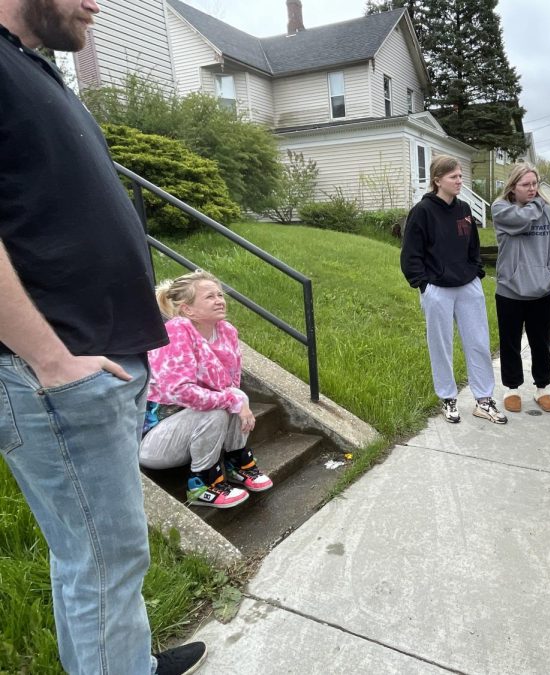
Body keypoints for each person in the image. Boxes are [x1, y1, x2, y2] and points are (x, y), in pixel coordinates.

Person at [0, 0, 206, 672]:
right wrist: (53, 360)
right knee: (104, 559)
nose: (94, 4)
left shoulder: (34, 69)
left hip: (90, 356)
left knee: (90, 556)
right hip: (56, 371)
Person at [140, 271, 273, 508]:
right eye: (210, 297)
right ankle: (202, 483)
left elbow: (232, 385)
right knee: (218, 408)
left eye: (220, 295)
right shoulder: (176, 330)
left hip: (190, 428)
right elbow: (180, 391)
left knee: (237, 396)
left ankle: (235, 463)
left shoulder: (226, 332)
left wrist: (234, 399)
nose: (219, 300)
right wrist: (230, 400)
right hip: (155, 440)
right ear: (188, 309)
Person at [400, 155, 507, 424]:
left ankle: (484, 400)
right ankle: (448, 399)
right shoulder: (422, 212)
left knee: (479, 342)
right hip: (437, 288)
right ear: (438, 180)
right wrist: (423, 284)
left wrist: (477, 272)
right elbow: (410, 255)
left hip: (468, 285)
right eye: (454, 177)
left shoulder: (464, 209)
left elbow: (473, 246)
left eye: (460, 176)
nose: (460, 181)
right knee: (441, 346)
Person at [491, 163, 550, 413]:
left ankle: (543, 387)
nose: (532, 189)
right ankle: (512, 388)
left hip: (540, 290)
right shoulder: (501, 208)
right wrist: (537, 204)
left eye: (535, 184)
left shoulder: (549, 213)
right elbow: (521, 219)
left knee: (540, 341)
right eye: (526, 184)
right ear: (513, 186)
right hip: (509, 289)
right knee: (509, 341)